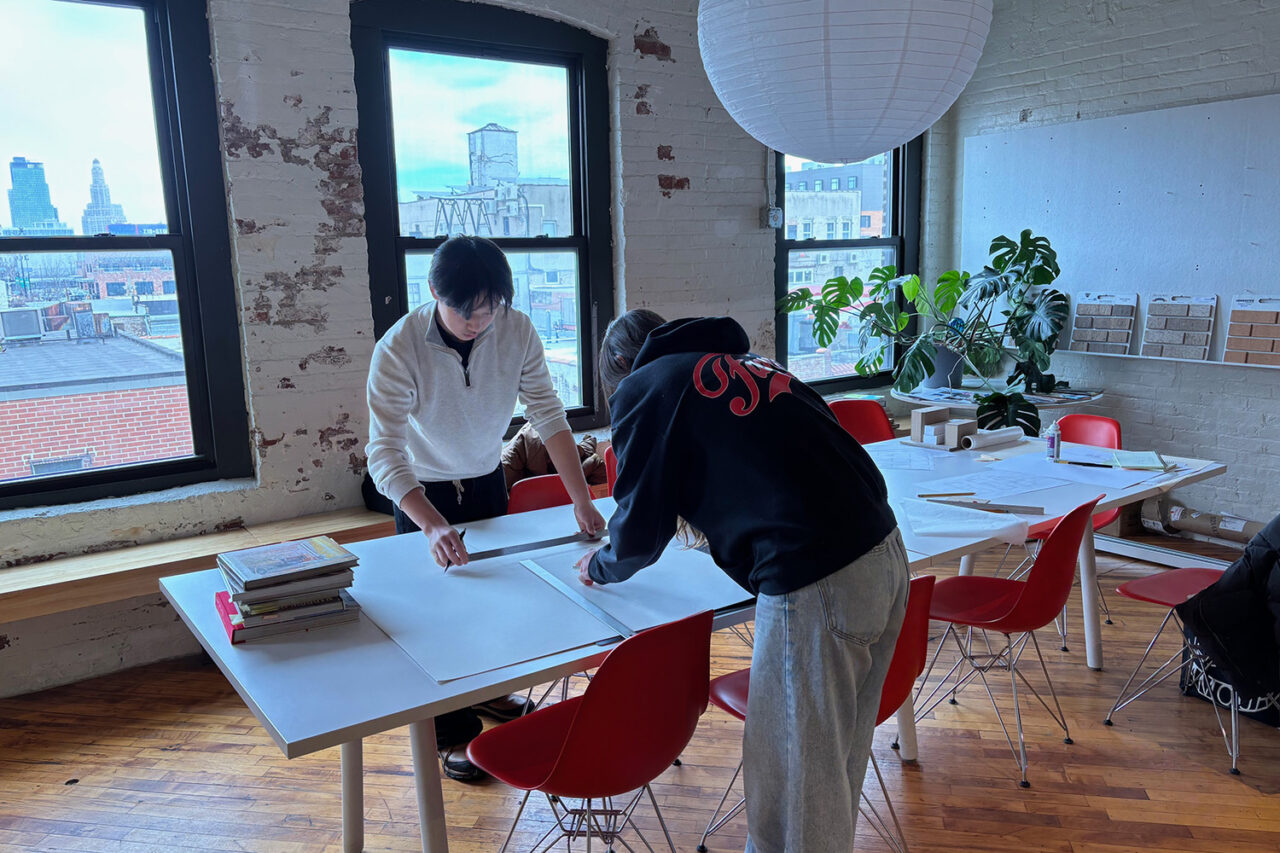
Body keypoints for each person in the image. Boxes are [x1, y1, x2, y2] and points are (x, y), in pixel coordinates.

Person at [574, 310, 908, 853]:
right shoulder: (749, 363)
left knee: (792, 793)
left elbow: (639, 532)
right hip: (885, 556)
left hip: (816, 577)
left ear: (618, 366)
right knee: (833, 771)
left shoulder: (646, 386)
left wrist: (600, 564)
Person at [366, 235, 606, 782]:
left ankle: (492, 691)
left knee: (494, 598)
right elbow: (383, 452)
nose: (480, 322)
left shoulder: (516, 329)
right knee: (434, 615)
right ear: (435, 294)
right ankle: (449, 730)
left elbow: (548, 413)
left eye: (490, 308)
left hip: (486, 477)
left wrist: (581, 498)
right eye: (467, 312)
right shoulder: (398, 348)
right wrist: (431, 526)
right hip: (422, 491)